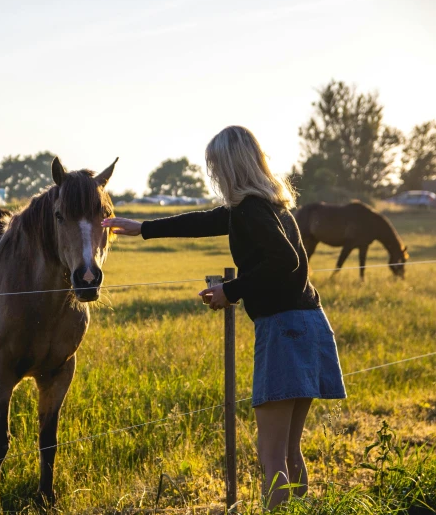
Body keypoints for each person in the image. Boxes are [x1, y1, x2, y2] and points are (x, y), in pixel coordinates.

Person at [102, 125, 346, 509]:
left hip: (283, 330)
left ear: (230, 167)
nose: (213, 174)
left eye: (215, 166)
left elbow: (286, 260)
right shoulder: (268, 206)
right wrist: (143, 228)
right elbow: (202, 222)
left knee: (271, 457)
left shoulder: (250, 209)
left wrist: (229, 291)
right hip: (311, 324)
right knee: (290, 452)